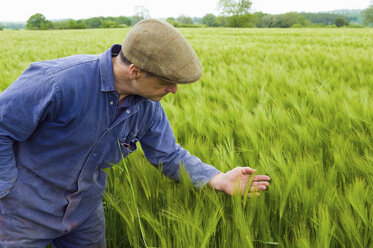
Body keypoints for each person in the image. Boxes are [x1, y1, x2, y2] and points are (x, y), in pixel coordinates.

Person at [0, 19, 270, 247]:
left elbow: (168, 153)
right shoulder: (56, 82)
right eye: (167, 82)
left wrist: (218, 178)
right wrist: (6, 189)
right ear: (135, 71)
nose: (174, 90)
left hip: (84, 214)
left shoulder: (147, 107)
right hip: (21, 215)